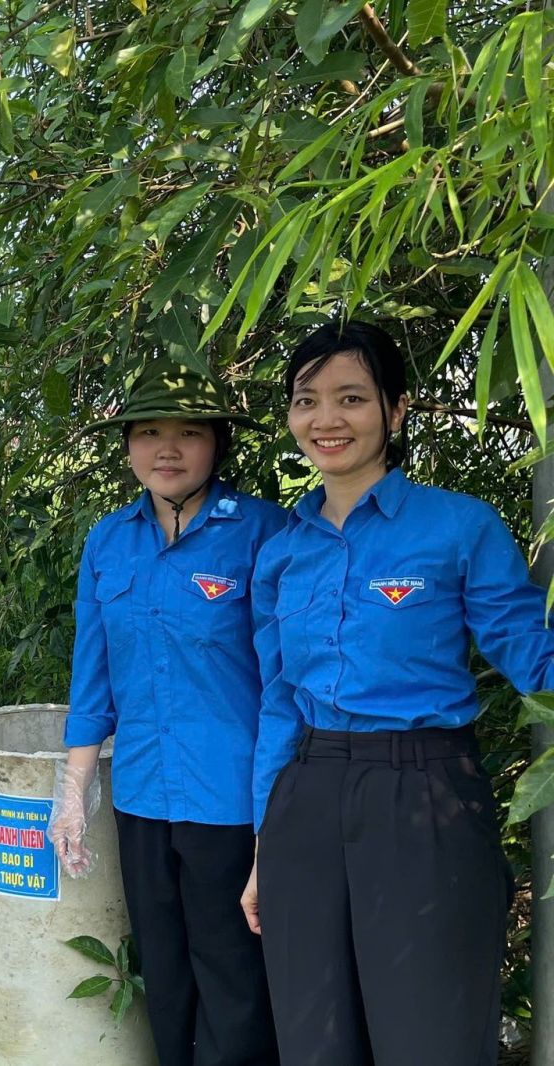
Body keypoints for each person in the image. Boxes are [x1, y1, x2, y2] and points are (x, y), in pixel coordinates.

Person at [242, 319, 551, 1065]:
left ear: (397, 409)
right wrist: (262, 843)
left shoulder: (457, 528)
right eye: (306, 400)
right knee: (315, 1038)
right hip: (307, 798)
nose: (326, 420)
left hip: (425, 795)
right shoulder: (283, 550)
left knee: (430, 1034)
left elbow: (531, 655)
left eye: (351, 397)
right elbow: (280, 703)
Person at [50, 360, 283, 1066]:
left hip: (230, 798)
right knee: (165, 965)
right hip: (143, 795)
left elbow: (283, 686)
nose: (168, 450)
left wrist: (276, 821)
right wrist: (74, 790)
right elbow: (93, 677)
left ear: (218, 443)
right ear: (127, 447)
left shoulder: (261, 533)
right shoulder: (108, 541)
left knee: (233, 972)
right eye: (149, 433)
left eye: (188, 433)